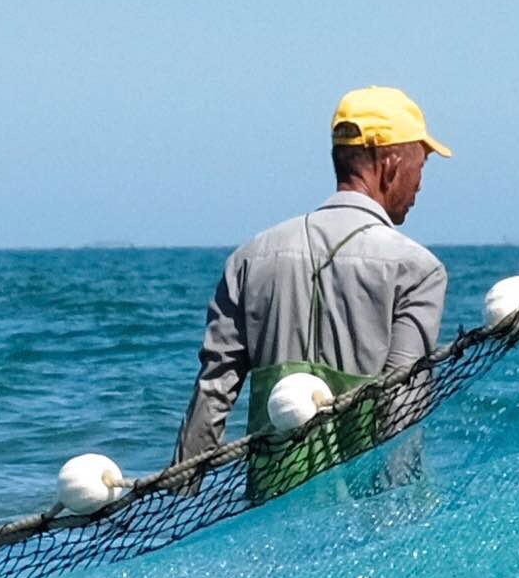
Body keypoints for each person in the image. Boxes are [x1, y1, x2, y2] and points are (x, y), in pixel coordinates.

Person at [177, 88, 453, 472]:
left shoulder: (248, 259)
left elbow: (212, 394)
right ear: (390, 163)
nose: (420, 184)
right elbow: (402, 404)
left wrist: (179, 499)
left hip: (272, 501)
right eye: (421, 165)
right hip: (364, 510)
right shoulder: (417, 269)